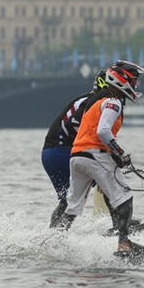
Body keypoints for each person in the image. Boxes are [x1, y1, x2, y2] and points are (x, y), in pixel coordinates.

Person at [58, 60, 144, 255]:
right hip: (94, 155)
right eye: (133, 82)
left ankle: (56, 242)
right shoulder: (113, 102)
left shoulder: (97, 100)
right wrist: (120, 153)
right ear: (122, 81)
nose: (135, 86)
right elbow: (103, 132)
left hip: (77, 157)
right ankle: (124, 244)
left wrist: (113, 154)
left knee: (72, 206)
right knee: (124, 197)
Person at [41, 70, 106, 227]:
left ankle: (55, 236)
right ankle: (118, 226)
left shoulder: (88, 98)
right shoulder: (94, 101)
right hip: (62, 152)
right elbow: (75, 125)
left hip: (51, 152)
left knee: (66, 202)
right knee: (108, 177)